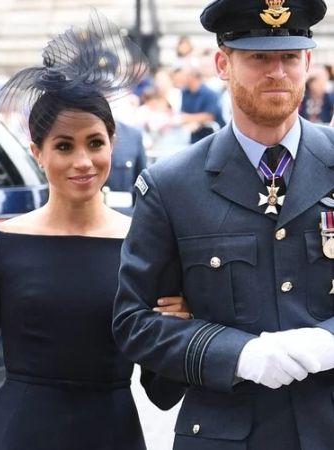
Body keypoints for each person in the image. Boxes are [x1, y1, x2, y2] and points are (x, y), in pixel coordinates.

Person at [0, 16, 189, 450]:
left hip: (112, 434)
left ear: (113, 142)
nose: (82, 161)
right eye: (64, 146)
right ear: (37, 152)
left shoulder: (147, 246)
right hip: (15, 436)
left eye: (95, 143)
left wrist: (178, 328)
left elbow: (162, 393)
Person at [113, 0, 334, 448]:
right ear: (222, 63)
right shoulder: (171, 185)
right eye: (258, 58)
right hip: (227, 432)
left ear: (307, 61)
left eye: (289, 57)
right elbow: (133, 321)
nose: (277, 72)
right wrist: (239, 354)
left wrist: (330, 340)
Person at [172, 64, 226, 143]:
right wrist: (191, 119)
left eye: (183, 75)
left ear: (192, 76)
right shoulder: (185, 92)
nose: (180, 78)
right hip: (194, 134)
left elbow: (210, 116)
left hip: (212, 135)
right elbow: (184, 113)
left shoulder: (209, 93)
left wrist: (189, 118)